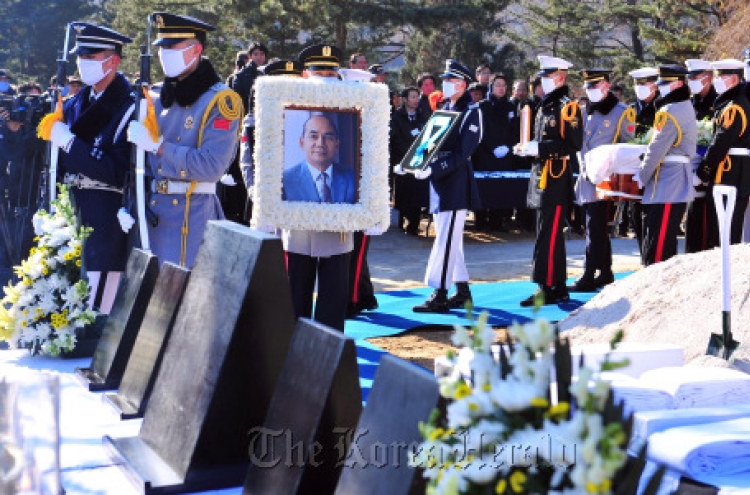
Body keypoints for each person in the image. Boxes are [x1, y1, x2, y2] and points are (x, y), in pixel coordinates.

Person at [126, 12, 242, 268]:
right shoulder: (156, 95)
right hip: (152, 214)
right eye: (162, 47)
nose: (164, 53)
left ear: (195, 50)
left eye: (171, 47)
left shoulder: (221, 101)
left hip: (191, 214)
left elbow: (211, 166)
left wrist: (158, 147)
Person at [41, 22, 134, 314]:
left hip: (104, 211)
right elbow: (53, 162)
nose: (83, 64)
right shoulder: (72, 104)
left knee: (98, 303)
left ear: (114, 61)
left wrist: (72, 145)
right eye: (80, 57)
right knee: (68, 295)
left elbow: (116, 170)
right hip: (71, 206)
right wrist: (45, 205)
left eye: (91, 57)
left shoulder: (129, 107)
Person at [281, 44, 358, 331]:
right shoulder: (285, 108)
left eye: (330, 72)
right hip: (298, 233)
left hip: (338, 233)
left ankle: (328, 363)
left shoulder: (354, 105)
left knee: (332, 309)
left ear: (337, 143)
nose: (325, 77)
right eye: (318, 71)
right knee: (294, 305)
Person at [407, 59, 483, 313]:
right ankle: (462, 291)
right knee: (450, 240)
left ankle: (440, 293)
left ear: (462, 85)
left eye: (450, 81)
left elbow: (462, 154)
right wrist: (411, 164)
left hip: (455, 184)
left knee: (446, 242)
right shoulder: (445, 108)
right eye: (445, 81)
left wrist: (433, 168)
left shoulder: (471, 112)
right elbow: (428, 142)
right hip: (440, 183)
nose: (445, 85)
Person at [515, 55, 583, 306]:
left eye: (548, 76)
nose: (543, 80)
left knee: (548, 234)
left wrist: (540, 148)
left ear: (560, 77)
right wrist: (528, 149)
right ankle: (558, 286)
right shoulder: (545, 104)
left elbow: (574, 144)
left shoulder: (568, 107)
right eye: (542, 75)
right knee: (547, 233)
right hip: (540, 175)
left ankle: (547, 286)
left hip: (555, 177)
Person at [568, 69, 635, 292]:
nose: (590, 91)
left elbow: (628, 146)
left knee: (594, 226)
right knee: (593, 228)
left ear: (606, 86)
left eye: (594, 87)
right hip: (586, 175)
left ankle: (589, 273)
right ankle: (605, 272)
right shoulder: (584, 111)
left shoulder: (622, 112)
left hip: (606, 179)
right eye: (588, 87)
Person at [638, 64, 696, 266]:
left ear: (678, 84)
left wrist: (641, 175)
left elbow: (656, 148)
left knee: (658, 245)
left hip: (667, 182)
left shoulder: (670, 110)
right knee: (662, 241)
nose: (660, 87)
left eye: (665, 83)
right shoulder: (681, 106)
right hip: (673, 179)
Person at [696, 59, 750, 246]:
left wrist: (704, 168)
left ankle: (726, 267)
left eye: (721, 77)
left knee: (726, 224)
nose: (717, 80)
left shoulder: (734, 106)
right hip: (732, 168)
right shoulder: (730, 102)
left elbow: (721, 142)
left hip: (731, 171)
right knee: (722, 224)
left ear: (734, 80)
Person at [473, 73, 518, 232]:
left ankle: (497, 221)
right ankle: (480, 221)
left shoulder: (511, 106)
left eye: (503, 86)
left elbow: (515, 130)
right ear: (491, 87)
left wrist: (508, 146)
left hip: (505, 154)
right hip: (485, 154)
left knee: (501, 188)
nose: (501, 88)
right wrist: (491, 148)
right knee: (484, 188)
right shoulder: (482, 106)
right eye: (498, 85)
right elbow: (480, 131)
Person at [282, 113, 356, 203]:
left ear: (337, 146)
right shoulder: (284, 182)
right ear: (302, 143)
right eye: (313, 136)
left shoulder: (354, 179)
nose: (320, 143)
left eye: (328, 137)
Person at [684, 59, 717, 254]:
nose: (692, 81)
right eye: (690, 78)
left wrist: (704, 170)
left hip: (711, 170)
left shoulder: (718, 101)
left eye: (696, 77)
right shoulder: (689, 103)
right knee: (693, 219)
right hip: (690, 168)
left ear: (708, 78)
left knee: (709, 222)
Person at [623, 67, 659, 244]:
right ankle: (644, 260)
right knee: (637, 219)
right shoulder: (630, 110)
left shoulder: (661, 108)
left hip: (656, 172)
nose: (640, 87)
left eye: (644, 83)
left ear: (654, 85)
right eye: (637, 83)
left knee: (654, 224)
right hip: (634, 173)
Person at [391, 86, 428, 235]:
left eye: (417, 97)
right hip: (402, 161)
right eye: (413, 97)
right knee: (402, 193)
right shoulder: (396, 117)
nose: (416, 100)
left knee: (417, 193)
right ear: (404, 99)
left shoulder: (422, 116)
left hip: (418, 161)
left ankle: (414, 224)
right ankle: (400, 222)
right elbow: (394, 139)